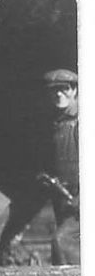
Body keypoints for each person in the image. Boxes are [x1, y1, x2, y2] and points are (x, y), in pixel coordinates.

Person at [41, 69, 80, 265]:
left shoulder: (83, 122)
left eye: (63, 89)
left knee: (62, 241)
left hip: (81, 201)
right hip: (64, 199)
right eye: (53, 91)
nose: (58, 94)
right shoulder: (55, 123)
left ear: (74, 90)